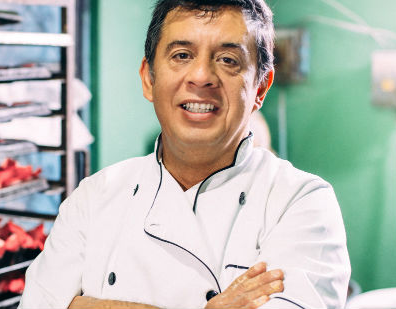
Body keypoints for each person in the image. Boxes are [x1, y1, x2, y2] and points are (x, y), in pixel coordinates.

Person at [19, 0, 350, 308]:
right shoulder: (94, 197)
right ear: (149, 79)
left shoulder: (301, 202)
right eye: (181, 55)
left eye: (228, 60)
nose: (202, 76)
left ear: (260, 89)